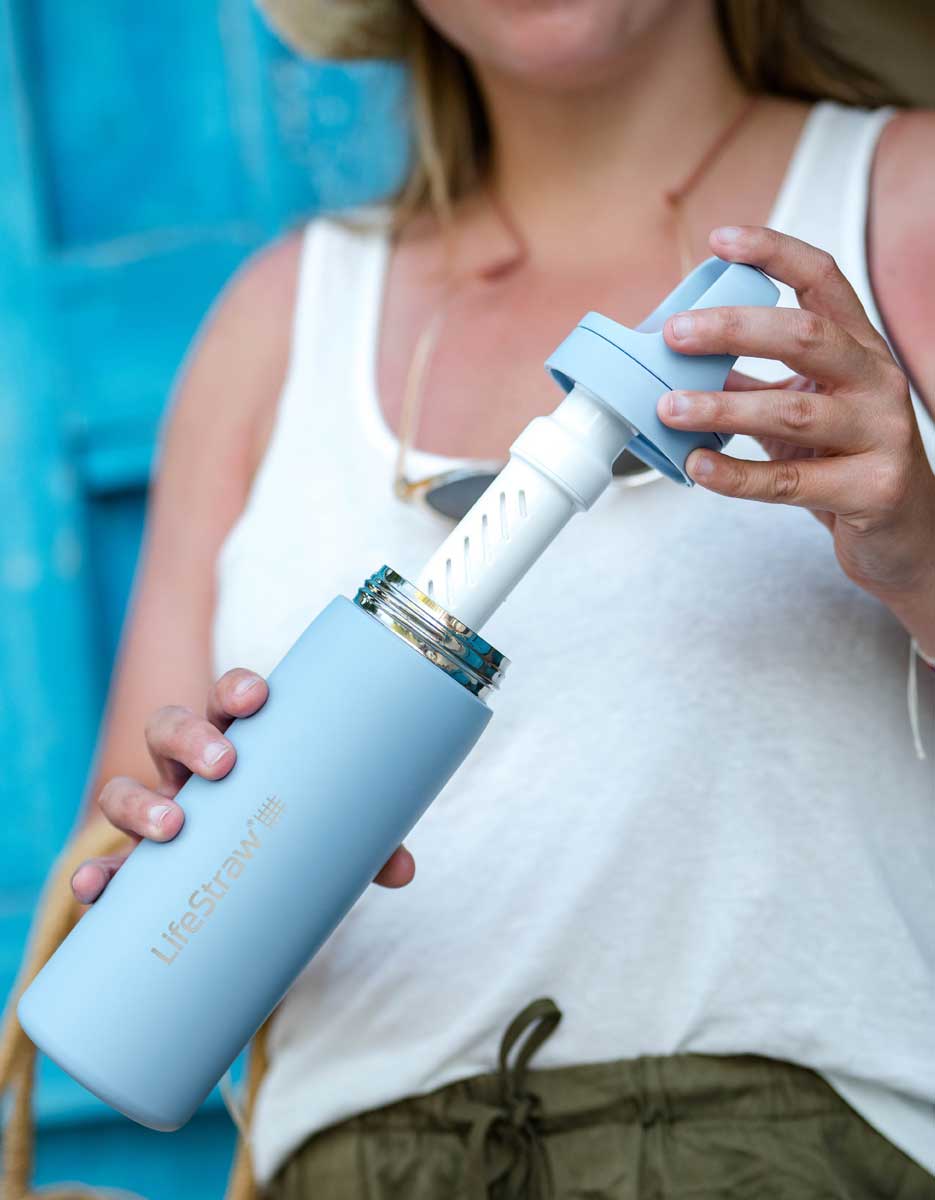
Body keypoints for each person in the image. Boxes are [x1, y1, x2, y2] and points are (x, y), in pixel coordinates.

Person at [11, 1, 935, 1197]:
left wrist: (920, 553)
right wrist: (185, 838)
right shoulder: (275, 322)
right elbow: (122, 902)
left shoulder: (902, 207)